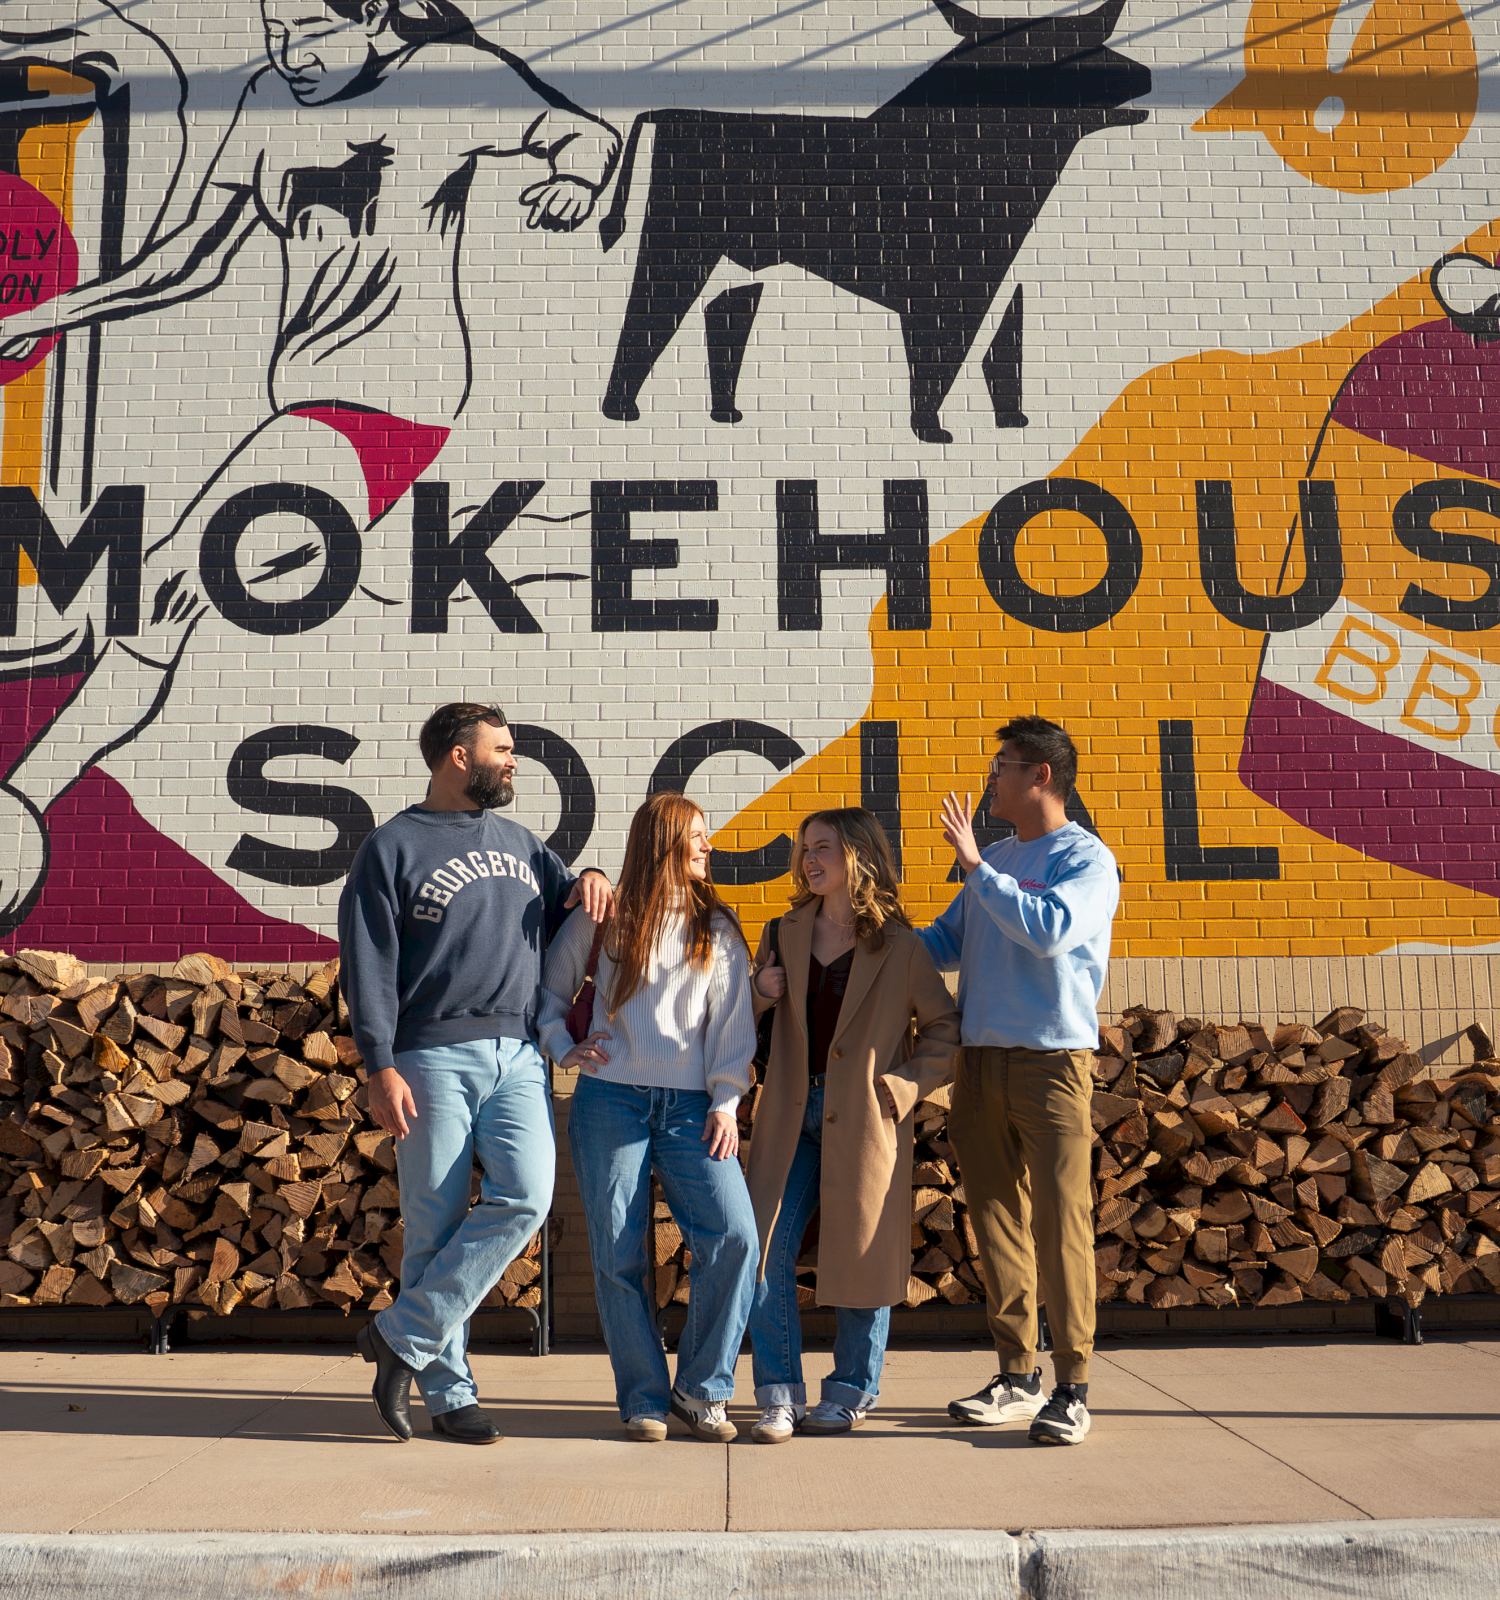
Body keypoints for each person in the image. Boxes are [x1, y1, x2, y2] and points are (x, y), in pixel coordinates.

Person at [0, 0, 621, 933]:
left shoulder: (452, 75)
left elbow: (583, 132)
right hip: (305, 403)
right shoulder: (262, 97)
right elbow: (185, 262)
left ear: (371, 16)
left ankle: (23, 799)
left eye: (304, 28)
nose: (286, 51)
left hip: (389, 406)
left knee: (172, 573)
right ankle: (27, 799)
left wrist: (574, 178)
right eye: (273, 30)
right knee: (166, 598)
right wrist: (49, 313)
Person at [337, 701, 612, 1444]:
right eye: (503, 748)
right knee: (433, 1226)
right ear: (459, 756)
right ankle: (449, 1393)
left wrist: (587, 872)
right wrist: (379, 1063)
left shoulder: (523, 844)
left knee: (525, 1197)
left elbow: (571, 907)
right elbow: (367, 963)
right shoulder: (392, 847)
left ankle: (398, 1336)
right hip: (428, 1055)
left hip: (519, 1053)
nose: (513, 759)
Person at [920, 715, 1119, 1447]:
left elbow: (1047, 930)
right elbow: (944, 942)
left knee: (1061, 1222)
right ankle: (1016, 1375)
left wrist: (977, 870)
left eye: (1002, 764)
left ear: (1042, 774)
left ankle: (1072, 1386)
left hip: (1052, 1064)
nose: (990, 777)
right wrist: (869, 939)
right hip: (981, 1060)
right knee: (995, 1218)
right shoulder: (998, 855)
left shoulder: (1086, 860)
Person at [537, 792, 758, 1443]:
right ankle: (642, 1396)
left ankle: (701, 1389)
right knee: (617, 1254)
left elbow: (733, 1028)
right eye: (696, 835)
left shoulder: (716, 927)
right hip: (610, 1101)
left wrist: (726, 1100)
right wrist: (563, 1049)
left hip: (693, 1106)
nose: (707, 846)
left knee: (735, 1236)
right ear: (663, 840)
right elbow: (549, 996)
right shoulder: (604, 921)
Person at [745, 808, 959, 1442]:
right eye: (804, 850)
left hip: (866, 1116)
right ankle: (778, 1393)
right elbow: (742, 1024)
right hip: (788, 1110)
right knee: (763, 1251)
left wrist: (904, 1085)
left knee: (864, 1252)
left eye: (823, 849)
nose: (809, 860)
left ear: (856, 856)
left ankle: (851, 1391)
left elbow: (947, 1031)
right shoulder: (781, 932)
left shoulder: (901, 946)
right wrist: (760, 990)